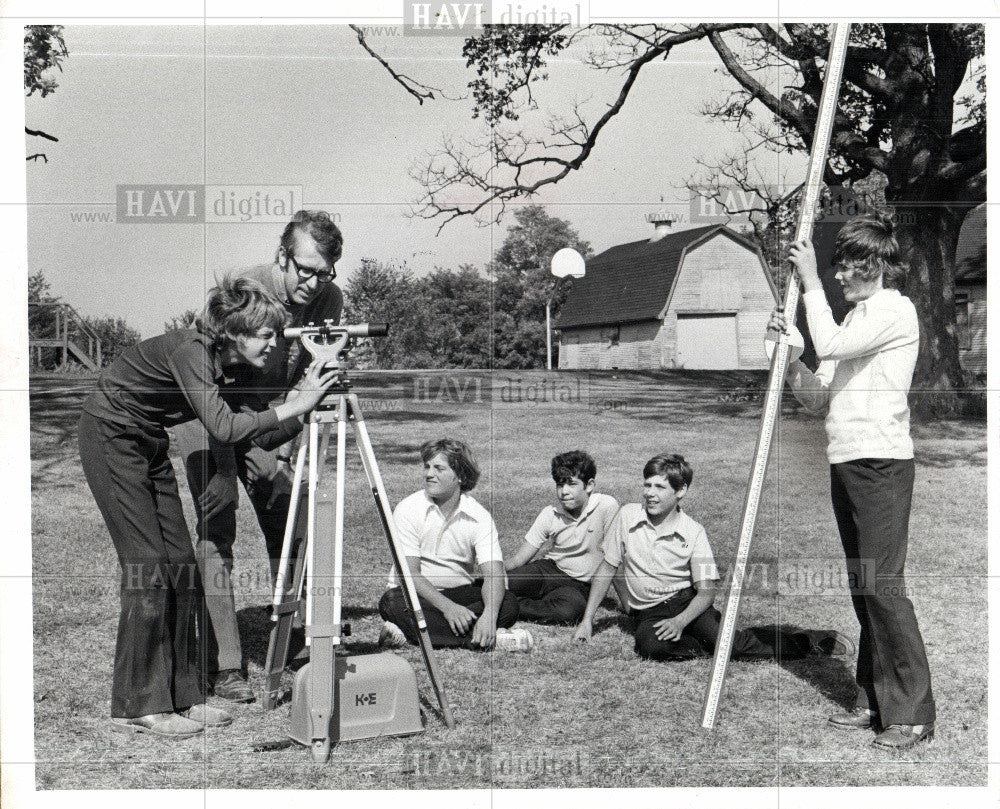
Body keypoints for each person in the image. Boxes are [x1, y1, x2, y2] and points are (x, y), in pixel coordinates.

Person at [78, 276, 341, 739]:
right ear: (235, 333)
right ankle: (137, 704)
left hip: (148, 442)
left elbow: (255, 433)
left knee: (181, 562)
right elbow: (222, 425)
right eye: (266, 335)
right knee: (149, 567)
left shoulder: (228, 368)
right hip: (110, 436)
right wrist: (294, 403)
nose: (274, 344)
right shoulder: (191, 353)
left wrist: (305, 398)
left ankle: (184, 695)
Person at [768, 214, 935, 750]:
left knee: (884, 586)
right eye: (834, 265)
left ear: (877, 264)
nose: (838, 274)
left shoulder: (893, 309)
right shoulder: (854, 321)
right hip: (846, 460)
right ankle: (873, 696)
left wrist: (809, 282)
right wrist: (792, 358)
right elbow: (818, 398)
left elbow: (835, 345)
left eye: (847, 265)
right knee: (865, 588)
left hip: (883, 463)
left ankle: (912, 713)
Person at [173, 210, 344, 702]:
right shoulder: (247, 288)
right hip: (209, 413)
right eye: (305, 269)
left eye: (326, 271)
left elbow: (308, 387)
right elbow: (208, 379)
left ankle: (294, 639)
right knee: (217, 523)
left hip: (271, 415)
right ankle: (225, 664)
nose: (314, 283)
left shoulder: (331, 299)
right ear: (281, 255)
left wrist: (284, 459)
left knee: (290, 512)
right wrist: (242, 448)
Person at [573, 454, 848, 662]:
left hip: (688, 603)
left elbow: (706, 592)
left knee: (735, 647)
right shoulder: (626, 515)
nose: (650, 493)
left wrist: (680, 622)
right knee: (652, 648)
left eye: (659, 487)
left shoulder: (694, 532)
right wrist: (588, 620)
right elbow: (607, 567)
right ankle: (700, 644)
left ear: (680, 492)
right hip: (650, 611)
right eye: (647, 485)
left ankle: (805, 641)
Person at [377, 438, 531, 652]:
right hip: (415, 596)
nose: (429, 474)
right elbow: (409, 574)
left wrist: (489, 615)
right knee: (391, 603)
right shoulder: (408, 508)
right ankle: (487, 639)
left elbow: (494, 573)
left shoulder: (479, 516)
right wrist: (449, 609)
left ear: (460, 476)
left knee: (508, 604)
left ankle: (409, 634)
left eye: (439, 468)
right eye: (427, 467)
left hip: (460, 594)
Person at [504, 451, 620, 625]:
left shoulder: (606, 506)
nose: (564, 491)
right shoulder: (550, 514)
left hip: (578, 584)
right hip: (548, 570)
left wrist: (629, 605)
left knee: (568, 612)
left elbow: (616, 558)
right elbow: (519, 559)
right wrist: (494, 572)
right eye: (559, 485)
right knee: (505, 582)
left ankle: (510, 606)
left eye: (571, 484)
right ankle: (473, 592)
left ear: (589, 485)